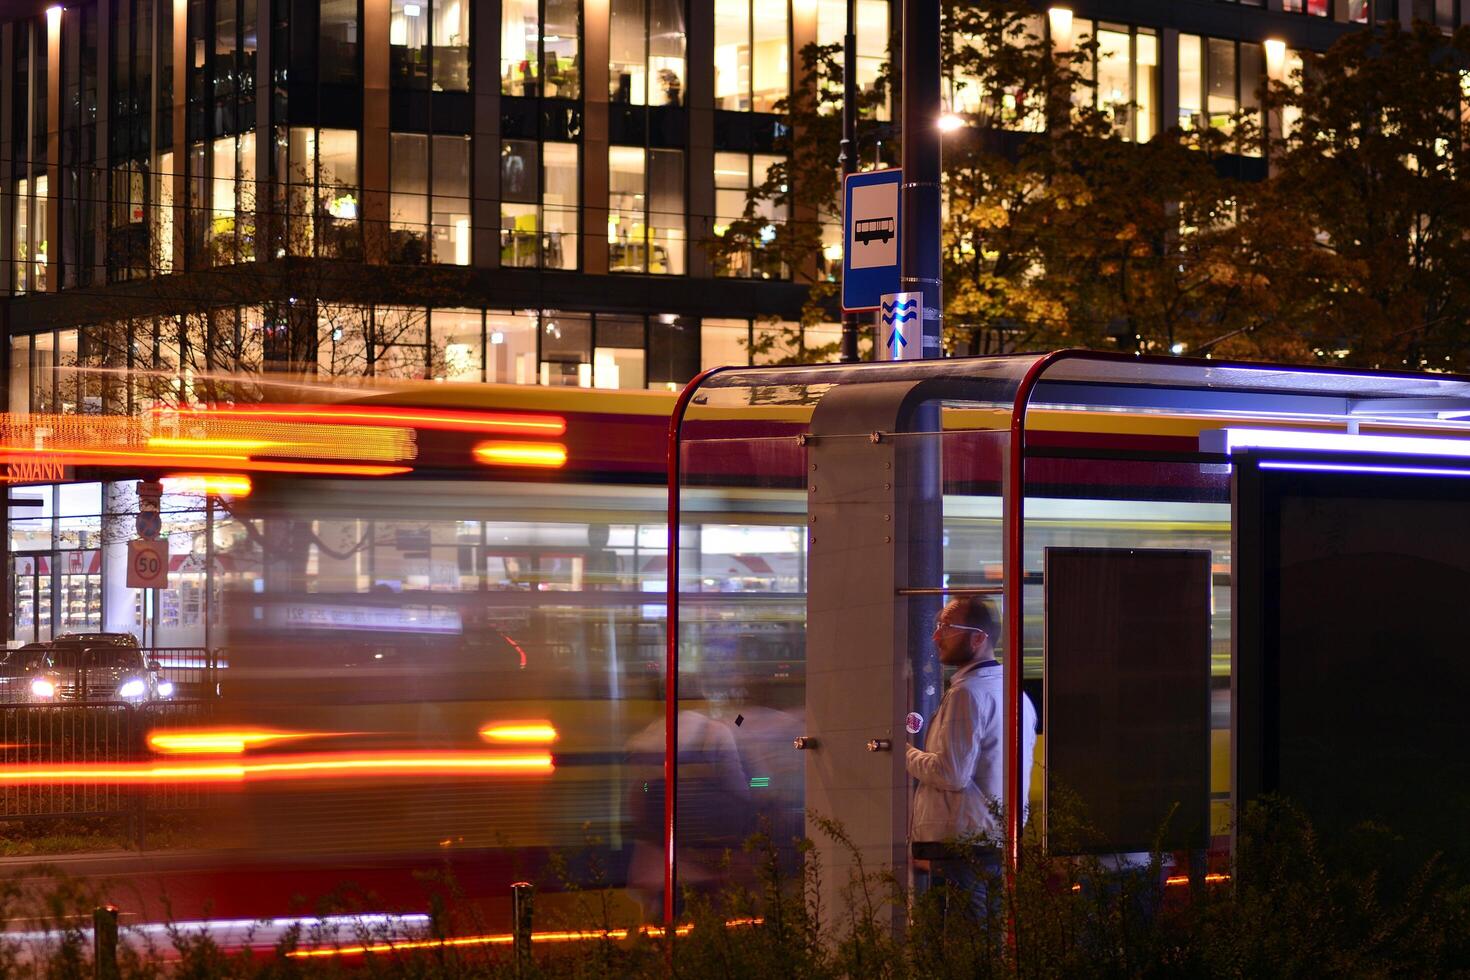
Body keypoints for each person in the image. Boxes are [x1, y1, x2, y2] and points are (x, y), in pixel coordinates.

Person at [906, 596, 1038, 920]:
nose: (936, 637)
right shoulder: (1011, 691)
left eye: (947, 628)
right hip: (990, 839)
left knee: (962, 942)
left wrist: (904, 754)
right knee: (984, 938)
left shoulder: (969, 693)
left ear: (978, 638)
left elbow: (952, 774)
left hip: (961, 844)